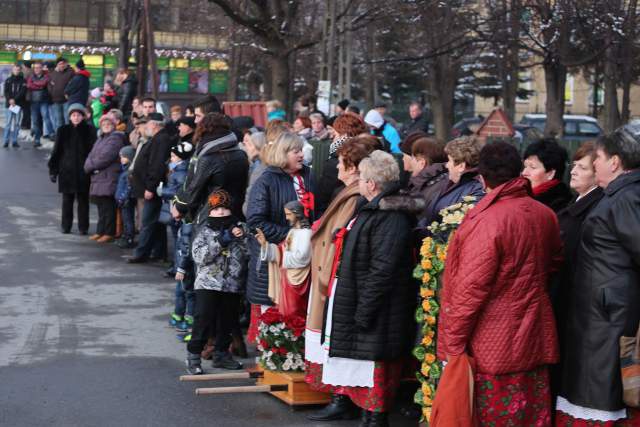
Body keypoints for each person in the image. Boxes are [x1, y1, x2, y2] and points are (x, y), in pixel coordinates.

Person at [438, 141, 563, 426]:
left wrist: (452, 347)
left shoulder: (488, 221)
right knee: (530, 415)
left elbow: (469, 292)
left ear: (482, 178)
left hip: (491, 341)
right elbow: (553, 264)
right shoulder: (545, 214)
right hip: (534, 334)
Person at [308, 150, 419, 426]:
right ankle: (368, 417)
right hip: (364, 302)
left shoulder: (391, 216)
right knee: (365, 372)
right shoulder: (374, 208)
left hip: (379, 308)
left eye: (362, 179)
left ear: (371, 184)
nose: (359, 183)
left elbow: (383, 270)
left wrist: (364, 309)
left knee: (375, 372)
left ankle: (374, 419)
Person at [557, 125, 640, 425]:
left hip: (608, 315)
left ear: (615, 162)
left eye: (599, 158)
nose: (595, 164)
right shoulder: (619, 194)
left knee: (600, 396)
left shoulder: (625, 197)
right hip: (601, 311)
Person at [304, 137, 376, 399]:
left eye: (341, 164)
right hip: (328, 272)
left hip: (335, 276)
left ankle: (340, 396)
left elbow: (339, 236)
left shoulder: (355, 196)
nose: (336, 169)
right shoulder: (347, 192)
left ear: (354, 167)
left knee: (334, 338)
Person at [548, 142, 604, 398]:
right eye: (574, 165)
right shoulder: (577, 204)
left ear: (598, 174)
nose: (573, 171)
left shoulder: (592, 211)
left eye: (582, 167)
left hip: (573, 305)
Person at [246, 132, 314, 309]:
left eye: (301, 150)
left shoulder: (308, 175)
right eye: (295, 151)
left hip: (304, 257)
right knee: (274, 317)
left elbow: (318, 209)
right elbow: (255, 222)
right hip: (274, 259)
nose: (301, 155)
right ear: (283, 153)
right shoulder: (266, 181)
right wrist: (294, 236)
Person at [186, 190, 248, 374]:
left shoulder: (240, 227)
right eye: (216, 209)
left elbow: (249, 253)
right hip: (207, 283)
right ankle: (193, 356)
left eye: (224, 208)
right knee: (203, 319)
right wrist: (221, 240)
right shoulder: (204, 230)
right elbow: (199, 257)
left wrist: (241, 237)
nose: (221, 212)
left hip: (232, 283)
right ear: (210, 211)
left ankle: (222, 354)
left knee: (227, 321)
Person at [172, 113, 248, 225]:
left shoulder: (208, 157)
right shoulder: (241, 154)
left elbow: (194, 188)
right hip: (235, 213)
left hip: (211, 215)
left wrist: (178, 207)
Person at [128, 113, 172, 263]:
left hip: (152, 188)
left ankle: (141, 253)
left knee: (147, 221)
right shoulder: (158, 139)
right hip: (150, 186)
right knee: (156, 222)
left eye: (147, 123)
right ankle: (158, 252)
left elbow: (156, 165)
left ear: (154, 124)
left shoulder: (161, 140)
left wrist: (150, 187)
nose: (145, 126)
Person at [256, 200, 312, 318]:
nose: (287, 218)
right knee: (286, 312)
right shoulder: (292, 231)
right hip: (286, 276)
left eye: (288, 214)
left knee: (294, 311)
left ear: (297, 213)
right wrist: (265, 245)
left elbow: (302, 257)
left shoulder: (307, 233)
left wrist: (281, 255)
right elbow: (283, 249)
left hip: (298, 278)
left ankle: (295, 334)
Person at [48, 103, 97, 234]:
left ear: (83, 116)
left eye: (78, 115)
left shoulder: (89, 130)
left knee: (83, 200)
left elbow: (94, 151)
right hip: (67, 171)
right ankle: (66, 226)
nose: (76, 118)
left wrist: (92, 168)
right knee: (67, 200)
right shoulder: (63, 130)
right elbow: (56, 151)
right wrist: (53, 170)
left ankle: (83, 227)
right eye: (73, 115)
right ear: (69, 117)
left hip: (83, 171)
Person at [422, 135, 485, 227]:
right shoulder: (449, 181)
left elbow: (454, 227)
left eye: (449, 161)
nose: (447, 165)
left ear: (461, 166)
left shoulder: (476, 190)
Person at [84, 115, 126, 242]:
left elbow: (105, 157)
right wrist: (88, 165)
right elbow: (91, 155)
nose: (106, 125)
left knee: (108, 206)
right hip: (99, 176)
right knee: (101, 206)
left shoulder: (115, 138)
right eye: (104, 123)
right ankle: (100, 231)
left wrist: (89, 166)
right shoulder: (101, 138)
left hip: (109, 177)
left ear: (114, 125)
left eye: (109, 123)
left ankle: (109, 232)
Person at [315, 113, 367, 215]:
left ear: (341, 133)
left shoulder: (337, 159)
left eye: (334, 131)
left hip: (335, 211)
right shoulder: (366, 150)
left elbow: (324, 195)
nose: (331, 135)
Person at [402, 135, 448, 218]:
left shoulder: (429, 187)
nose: (411, 162)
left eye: (412, 158)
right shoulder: (441, 180)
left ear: (422, 163)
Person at [522, 138, 572, 212]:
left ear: (551, 173)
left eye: (533, 167)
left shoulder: (559, 206)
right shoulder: (521, 196)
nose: (524, 173)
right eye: (525, 166)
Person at [171, 218, 196, 337]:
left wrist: (181, 268)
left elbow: (186, 251)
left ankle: (189, 323)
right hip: (182, 266)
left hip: (187, 269)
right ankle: (179, 317)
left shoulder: (188, 227)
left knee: (189, 294)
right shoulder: (184, 225)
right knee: (181, 292)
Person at [115, 146, 137, 249]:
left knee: (128, 219)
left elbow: (128, 188)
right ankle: (126, 236)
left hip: (126, 200)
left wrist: (123, 197)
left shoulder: (128, 172)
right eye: (121, 157)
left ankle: (129, 238)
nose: (121, 159)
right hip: (122, 199)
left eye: (124, 157)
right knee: (125, 219)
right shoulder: (124, 171)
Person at [242, 131, 267, 217]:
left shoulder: (260, 168)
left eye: (250, 145)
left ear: (258, 147)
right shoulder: (255, 163)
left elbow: (252, 195)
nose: (247, 148)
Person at [26, 61, 51, 147]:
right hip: (34, 102)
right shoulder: (31, 76)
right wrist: (39, 86)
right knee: (36, 121)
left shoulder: (46, 76)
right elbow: (29, 85)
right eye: (35, 68)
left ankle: (51, 134)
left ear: (42, 68)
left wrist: (35, 84)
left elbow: (43, 83)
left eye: (39, 67)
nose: (37, 69)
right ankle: (37, 140)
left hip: (44, 101)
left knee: (46, 117)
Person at [3, 64, 26, 148]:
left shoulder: (23, 81)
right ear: (12, 70)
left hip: (18, 105)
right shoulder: (8, 80)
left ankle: (15, 141)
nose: (16, 71)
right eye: (15, 69)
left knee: (17, 124)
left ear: (20, 71)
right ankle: (6, 141)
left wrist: (14, 100)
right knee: (8, 123)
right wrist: (10, 99)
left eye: (18, 69)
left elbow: (22, 92)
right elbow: (6, 91)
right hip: (9, 105)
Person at [47, 57, 74, 130]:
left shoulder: (71, 72)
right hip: (56, 100)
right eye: (60, 64)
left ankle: (68, 138)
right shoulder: (53, 73)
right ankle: (60, 137)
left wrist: (68, 93)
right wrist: (51, 92)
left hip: (66, 100)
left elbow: (72, 85)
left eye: (63, 63)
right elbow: (49, 84)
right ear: (57, 65)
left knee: (67, 119)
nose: (62, 65)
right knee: (58, 120)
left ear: (66, 64)